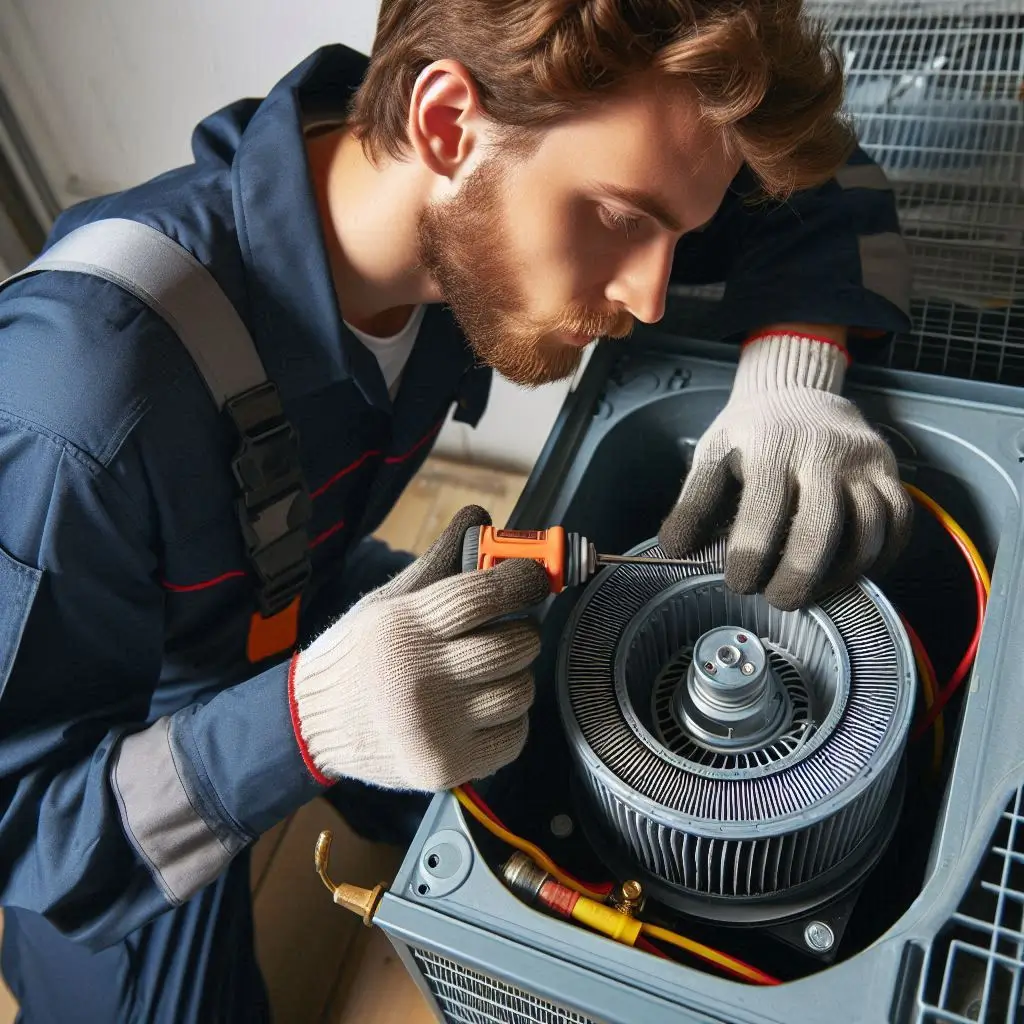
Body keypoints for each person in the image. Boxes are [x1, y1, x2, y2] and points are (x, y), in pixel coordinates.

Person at [0, 1, 912, 1019]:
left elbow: (847, 182)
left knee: (573, 771)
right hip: (123, 740)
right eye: (622, 219)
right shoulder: (76, 409)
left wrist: (794, 362)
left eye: (679, 232)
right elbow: (21, 826)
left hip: (307, 595)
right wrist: (303, 722)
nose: (652, 298)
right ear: (444, 125)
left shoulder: (480, 176)